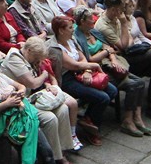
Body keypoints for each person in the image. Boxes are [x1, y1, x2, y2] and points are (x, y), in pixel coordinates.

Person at [0, 36, 80, 164]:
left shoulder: (28, 57)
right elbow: (32, 82)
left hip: (32, 97)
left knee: (64, 109)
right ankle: (51, 158)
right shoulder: (15, 59)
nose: (38, 61)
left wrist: (46, 85)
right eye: (36, 57)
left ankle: (62, 151)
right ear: (29, 51)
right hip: (20, 103)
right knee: (50, 119)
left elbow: (37, 82)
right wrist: (45, 75)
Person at [72, 7, 149, 137]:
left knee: (139, 82)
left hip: (109, 65)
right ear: (82, 22)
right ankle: (128, 121)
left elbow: (108, 46)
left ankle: (136, 117)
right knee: (135, 84)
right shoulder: (78, 37)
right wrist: (107, 53)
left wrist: (113, 59)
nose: (93, 20)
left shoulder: (94, 32)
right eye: (91, 19)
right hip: (97, 70)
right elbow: (90, 59)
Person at [47, 16, 116, 146]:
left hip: (81, 72)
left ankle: (87, 119)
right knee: (103, 98)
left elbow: (82, 58)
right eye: (69, 28)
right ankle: (93, 131)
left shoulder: (71, 40)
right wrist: (92, 66)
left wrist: (87, 71)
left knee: (112, 90)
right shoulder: (54, 48)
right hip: (67, 78)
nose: (73, 30)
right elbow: (73, 65)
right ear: (61, 31)